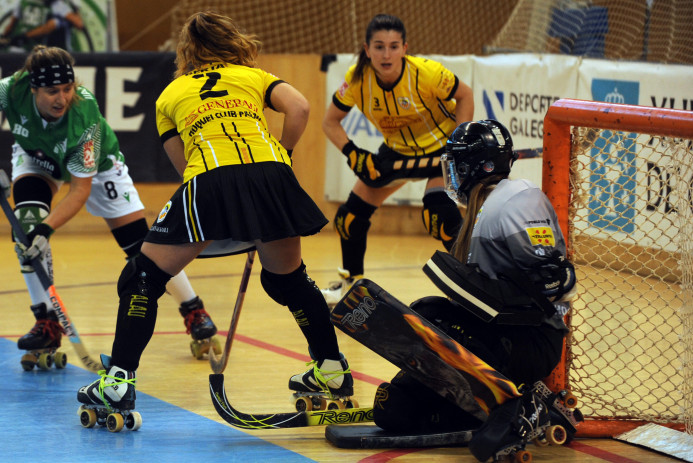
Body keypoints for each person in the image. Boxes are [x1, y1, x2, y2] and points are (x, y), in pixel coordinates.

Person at [76, 11, 353, 414]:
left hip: (210, 177)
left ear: (186, 52)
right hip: (273, 177)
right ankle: (332, 369)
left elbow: (184, 165)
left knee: (142, 277)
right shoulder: (254, 76)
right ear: (233, 43)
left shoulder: (171, 94)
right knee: (288, 281)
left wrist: (226, 206)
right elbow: (300, 108)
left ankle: (117, 382)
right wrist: (282, 156)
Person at [0, 45, 215, 361]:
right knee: (25, 227)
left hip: (99, 167)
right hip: (37, 158)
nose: (61, 98)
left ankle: (193, 309)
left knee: (142, 250)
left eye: (67, 88)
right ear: (33, 88)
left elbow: (79, 190)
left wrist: (46, 229)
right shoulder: (10, 89)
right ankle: (46, 322)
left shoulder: (82, 116)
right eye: (51, 91)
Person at [370, 120, 577, 461]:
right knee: (392, 410)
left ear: (476, 166)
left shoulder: (518, 199)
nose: (451, 173)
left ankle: (526, 404)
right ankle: (498, 407)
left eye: (456, 165)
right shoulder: (485, 208)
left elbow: (555, 283)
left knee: (434, 316)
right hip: (494, 337)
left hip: (530, 342)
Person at [320, 13, 474, 307]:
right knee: (348, 219)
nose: (386, 54)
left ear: (405, 48)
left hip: (441, 147)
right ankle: (351, 287)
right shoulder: (356, 79)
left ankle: (471, 289)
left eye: (393, 46)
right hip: (397, 152)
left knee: (439, 217)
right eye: (379, 47)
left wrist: (458, 145)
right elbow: (330, 122)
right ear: (367, 50)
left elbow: (464, 95)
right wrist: (353, 152)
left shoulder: (426, 73)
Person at [0, 0, 84, 52]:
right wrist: (4, 37)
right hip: (21, 48)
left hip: (38, 51)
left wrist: (25, 36)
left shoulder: (56, 4)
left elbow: (78, 24)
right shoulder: (23, 2)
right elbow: (11, 24)